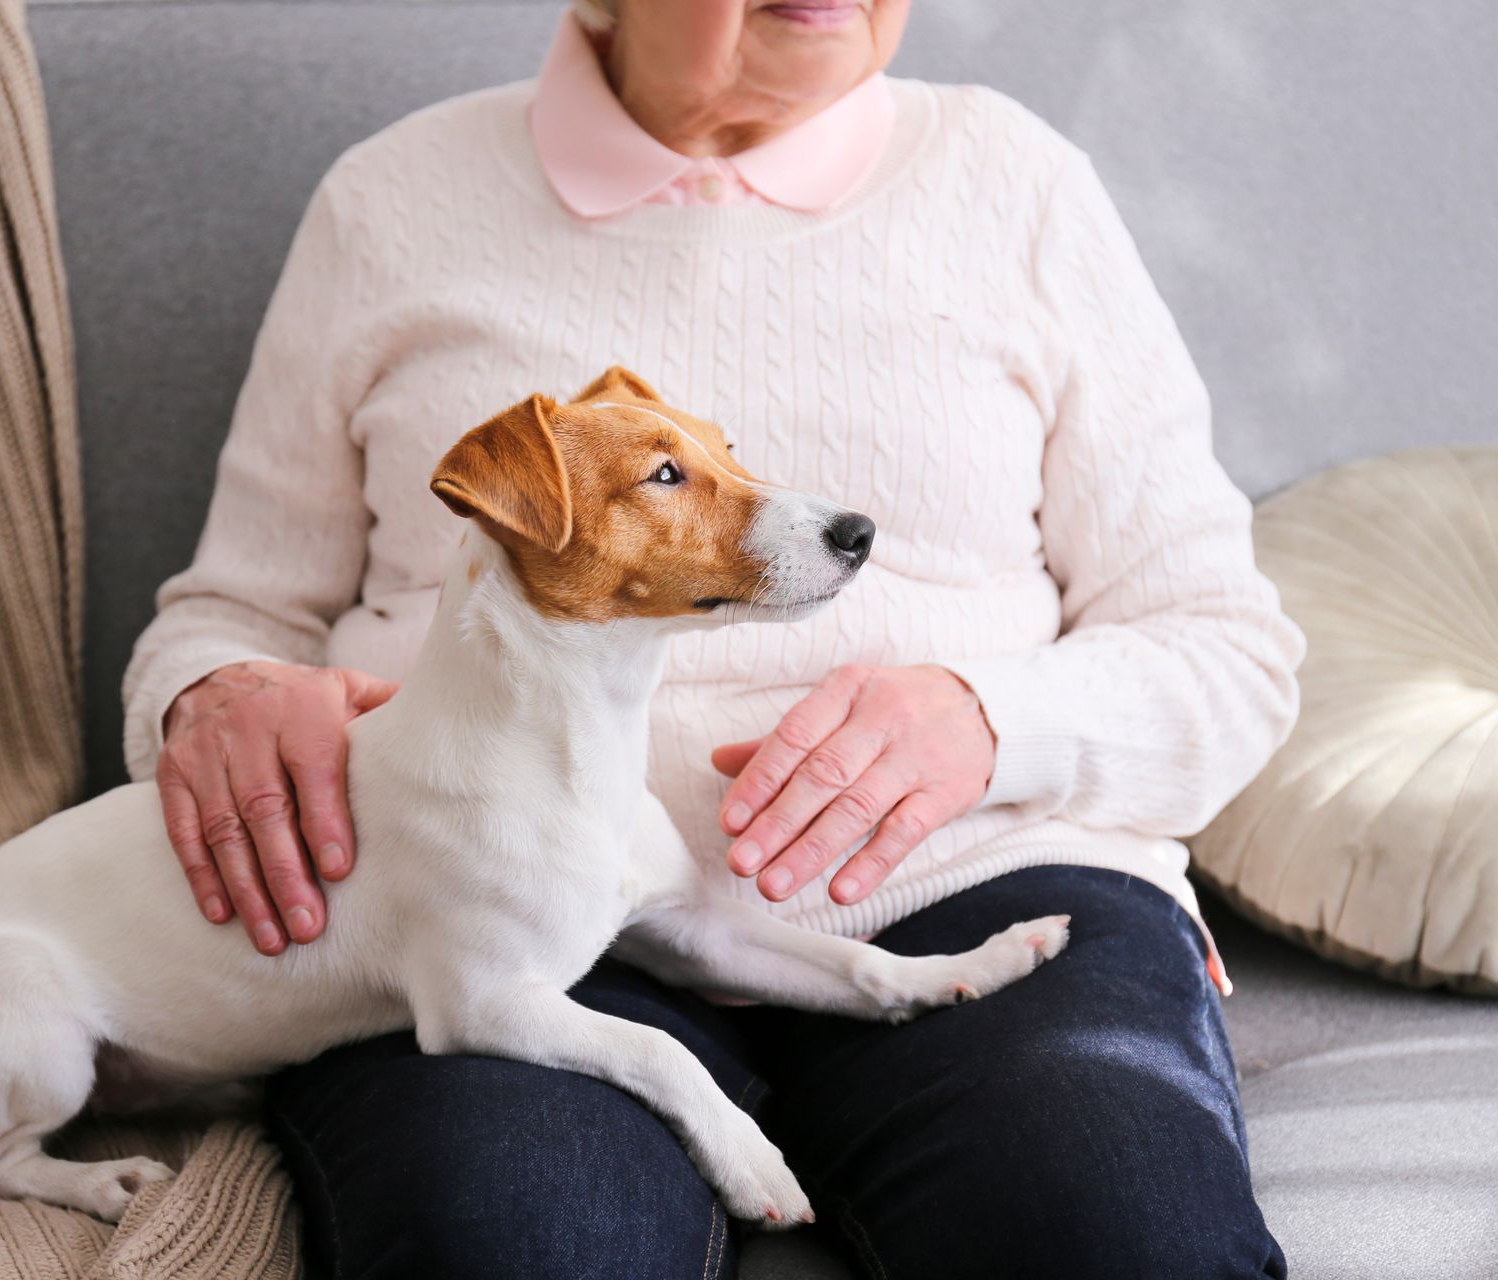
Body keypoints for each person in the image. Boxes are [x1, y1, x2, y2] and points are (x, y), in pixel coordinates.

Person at [123, 2, 1303, 1275]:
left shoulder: (1019, 187)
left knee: (1128, 1243)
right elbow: (233, 614)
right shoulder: (391, 200)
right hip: (500, 922)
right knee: (512, 1248)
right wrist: (219, 694)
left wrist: (990, 721)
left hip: (980, 884)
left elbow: (1224, 646)